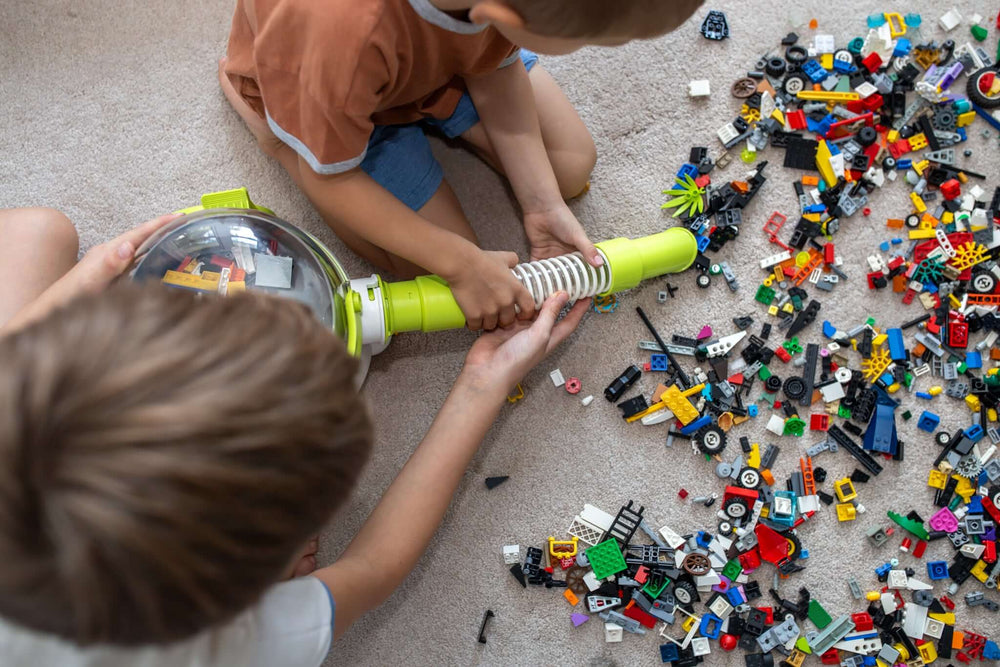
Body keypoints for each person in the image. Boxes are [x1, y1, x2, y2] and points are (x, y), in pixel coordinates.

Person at [0, 207, 587, 665]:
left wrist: (102, 268)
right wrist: (483, 383)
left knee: (40, 232)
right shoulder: (241, 647)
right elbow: (372, 569)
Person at [220, 0, 704, 330]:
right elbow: (336, 181)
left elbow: (496, 65)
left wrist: (540, 203)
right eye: (584, 42)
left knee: (570, 167)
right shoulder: (340, 34)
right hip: (326, 103)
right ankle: (282, 140)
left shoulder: (491, 14)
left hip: (437, 71)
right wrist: (458, 262)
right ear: (498, 12)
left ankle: (432, 109)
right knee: (427, 269)